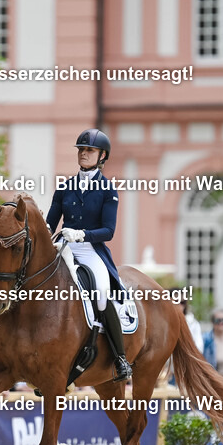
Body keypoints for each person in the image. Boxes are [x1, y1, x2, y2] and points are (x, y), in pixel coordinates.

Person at [45, 128, 132, 381]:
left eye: (89, 150)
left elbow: (109, 231)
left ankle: (120, 358)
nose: (83, 154)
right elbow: (51, 224)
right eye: (81, 150)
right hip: (64, 247)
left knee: (102, 296)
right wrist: (43, 230)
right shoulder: (64, 188)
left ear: (102, 156)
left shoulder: (108, 190)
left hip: (90, 249)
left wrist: (82, 234)